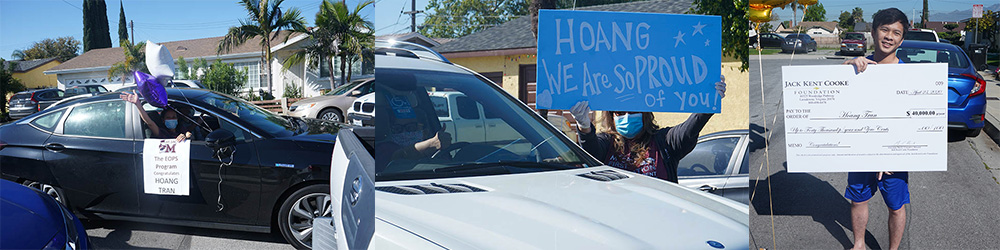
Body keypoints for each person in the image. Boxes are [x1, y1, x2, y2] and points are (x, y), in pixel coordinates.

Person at [568, 76, 726, 183]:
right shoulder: (606, 143)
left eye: (633, 110)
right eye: (620, 112)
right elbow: (591, 150)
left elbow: (689, 130)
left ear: (645, 113)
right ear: (611, 116)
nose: (627, 116)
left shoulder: (665, 142)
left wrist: (707, 105)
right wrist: (584, 125)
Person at [841, 8, 910, 250]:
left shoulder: (910, 75)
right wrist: (848, 65)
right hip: (860, 150)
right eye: (884, 29)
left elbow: (911, 121)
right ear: (873, 32)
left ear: (901, 39)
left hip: (895, 154)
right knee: (857, 200)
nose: (889, 36)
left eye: (896, 32)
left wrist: (894, 153)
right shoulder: (857, 69)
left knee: (896, 205)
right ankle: (858, 244)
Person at [120, 90, 192, 142]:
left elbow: (188, 133)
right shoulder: (162, 133)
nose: (171, 119)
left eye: (173, 117)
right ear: (163, 120)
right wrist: (138, 104)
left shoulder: (180, 128)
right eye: (168, 118)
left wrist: (185, 136)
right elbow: (149, 123)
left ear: (177, 119)